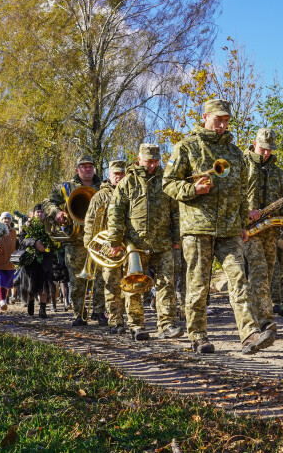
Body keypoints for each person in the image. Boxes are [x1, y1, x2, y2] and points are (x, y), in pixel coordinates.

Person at [164, 99, 271, 355]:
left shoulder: (235, 153)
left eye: (225, 120)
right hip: (197, 228)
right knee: (198, 285)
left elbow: (241, 192)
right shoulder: (186, 147)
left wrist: (243, 222)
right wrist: (193, 189)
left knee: (238, 279)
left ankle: (250, 334)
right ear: (205, 117)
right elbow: (168, 184)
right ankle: (198, 336)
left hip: (230, 229)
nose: (222, 125)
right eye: (218, 119)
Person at [109, 145, 186, 341]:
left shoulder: (165, 181)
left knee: (166, 284)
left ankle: (167, 324)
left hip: (163, 243)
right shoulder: (127, 183)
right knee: (134, 285)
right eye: (148, 161)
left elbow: (176, 212)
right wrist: (115, 240)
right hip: (135, 245)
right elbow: (116, 213)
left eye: (155, 161)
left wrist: (177, 238)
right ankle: (136, 326)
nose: (152, 165)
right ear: (139, 159)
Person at [244, 128, 283, 330]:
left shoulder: (278, 173)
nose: (266, 153)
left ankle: (259, 315)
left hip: (271, 231)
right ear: (254, 143)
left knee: (268, 273)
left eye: (270, 150)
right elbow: (232, 197)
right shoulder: (242, 165)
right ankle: (263, 319)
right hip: (249, 230)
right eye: (263, 148)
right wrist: (246, 211)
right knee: (258, 273)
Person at [46, 155, 104, 326]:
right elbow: (47, 201)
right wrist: (56, 212)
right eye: (83, 166)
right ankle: (80, 314)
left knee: (100, 278)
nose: (87, 169)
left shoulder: (103, 187)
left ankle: (99, 312)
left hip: (99, 239)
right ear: (77, 169)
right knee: (77, 279)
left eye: (90, 166)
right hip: (75, 240)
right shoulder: (65, 187)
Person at [82, 161, 136, 335]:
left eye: (122, 174)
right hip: (108, 248)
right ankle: (115, 322)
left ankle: (134, 321)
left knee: (131, 284)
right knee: (111, 285)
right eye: (116, 174)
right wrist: (90, 245)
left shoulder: (133, 192)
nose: (119, 177)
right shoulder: (100, 196)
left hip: (129, 247)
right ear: (110, 176)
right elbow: (90, 223)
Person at [18, 204, 56, 317]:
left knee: (45, 284)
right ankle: (30, 300)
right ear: (34, 214)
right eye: (37, 212)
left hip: (46, 259)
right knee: (32, 284)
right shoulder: (27, 225)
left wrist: (49, 245)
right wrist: (34, 242)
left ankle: (42, 309)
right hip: (32, 259)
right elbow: (21, 240)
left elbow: (56, 239)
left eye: (42, 212)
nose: (39, 214)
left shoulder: (50, 225)